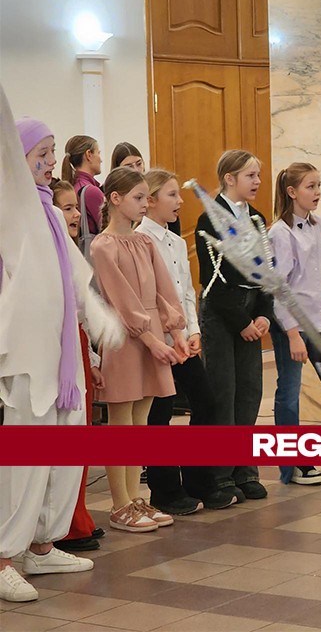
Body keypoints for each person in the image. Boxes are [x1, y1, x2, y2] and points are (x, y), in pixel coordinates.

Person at [1, 104, 123, 603]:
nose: (51, 161)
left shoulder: (50, 212)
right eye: (42, 153)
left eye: (53, 153)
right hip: (26, 357)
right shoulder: (9, 213)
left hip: (62, 359)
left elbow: (75, 277)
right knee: (24, 462)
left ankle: (41, 545)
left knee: (65, 454)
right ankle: (5, 555)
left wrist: (99, 322)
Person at [91, 167, 189, 532]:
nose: (144, 204)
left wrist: (175, 331)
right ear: (115, 199)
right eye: (138, 197)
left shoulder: (145, 242)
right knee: (121, 424)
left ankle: (135, 498)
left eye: (147, 197)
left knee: (142, 422)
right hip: (126, 339)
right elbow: (122, 301)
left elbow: (165, 290)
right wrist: (152, 340)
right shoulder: (103, 245)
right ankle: (119, 504)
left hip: (153, 337)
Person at [137, 169, 237, 513]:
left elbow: (185, 294)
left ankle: (200, 482)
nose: (180, 201)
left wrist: (193, 331)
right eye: (172, 195)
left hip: (183, 340)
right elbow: (149, 297)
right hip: (159, 342)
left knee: (206, 405)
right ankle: (165, 492)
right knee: (159, 416)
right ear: (150, 201)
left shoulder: (177, 241)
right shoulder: (140, 240)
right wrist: (171, 336)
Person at [268, 163, 321, 483]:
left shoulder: (318, 225)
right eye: (310, 187)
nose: (317, 193)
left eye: (319, 185)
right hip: (295, 326)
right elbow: (279, 287)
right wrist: (292, 334)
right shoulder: (280, 232)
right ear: (292, 192)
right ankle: (292, 465)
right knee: (289, 393)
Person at [196, 150, 272, 502]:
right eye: (250, 176)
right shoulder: (209, 220)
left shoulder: (256, 219)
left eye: (257, 175)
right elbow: (213, 278)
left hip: (249, 312)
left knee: (249, 392)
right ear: (229, 179)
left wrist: (263, 314)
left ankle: (245, 470)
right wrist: (241, 321)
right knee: (223, 394)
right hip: (222, 313)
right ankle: (220, 475)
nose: (257, 181)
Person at [50, 181, 104, 552]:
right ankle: (60, 525)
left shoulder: (70, 250)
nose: (74, 215)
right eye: (66, 209)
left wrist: (95, 359)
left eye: (74, 208)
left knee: (81, 433)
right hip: (55, 349)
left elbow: (84, 312)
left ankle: (77, 515)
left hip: (78, 347)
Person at [60, 135, 104, 257]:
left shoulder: (73, 186)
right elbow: (107, 229)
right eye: (98, 153)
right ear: (89, 155)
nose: (101, 159)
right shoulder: (91, 191)